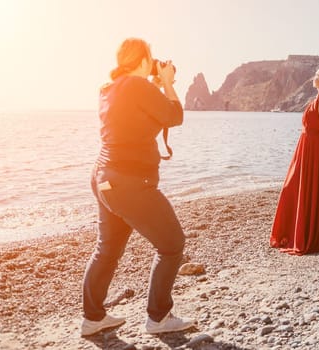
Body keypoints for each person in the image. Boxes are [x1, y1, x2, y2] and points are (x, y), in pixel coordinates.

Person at [81, 38, 195, 336]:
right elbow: (174, 115)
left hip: (103, 178)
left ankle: (93, 318)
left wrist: (156, 83)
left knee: (106, 250)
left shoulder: (109, 89)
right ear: (143, 59)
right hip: (131, 183)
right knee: (171, 245)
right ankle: (158, 317)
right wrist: (168, 82)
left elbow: (141, 118)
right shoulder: (136, 86)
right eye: (151, 58)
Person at [270, 27, 319, 255]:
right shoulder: (316, 99)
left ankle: (303, 236)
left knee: (297, 190)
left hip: (313, 149)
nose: (315, 76)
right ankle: (291, 232)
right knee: (291, 189)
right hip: (304, 150)